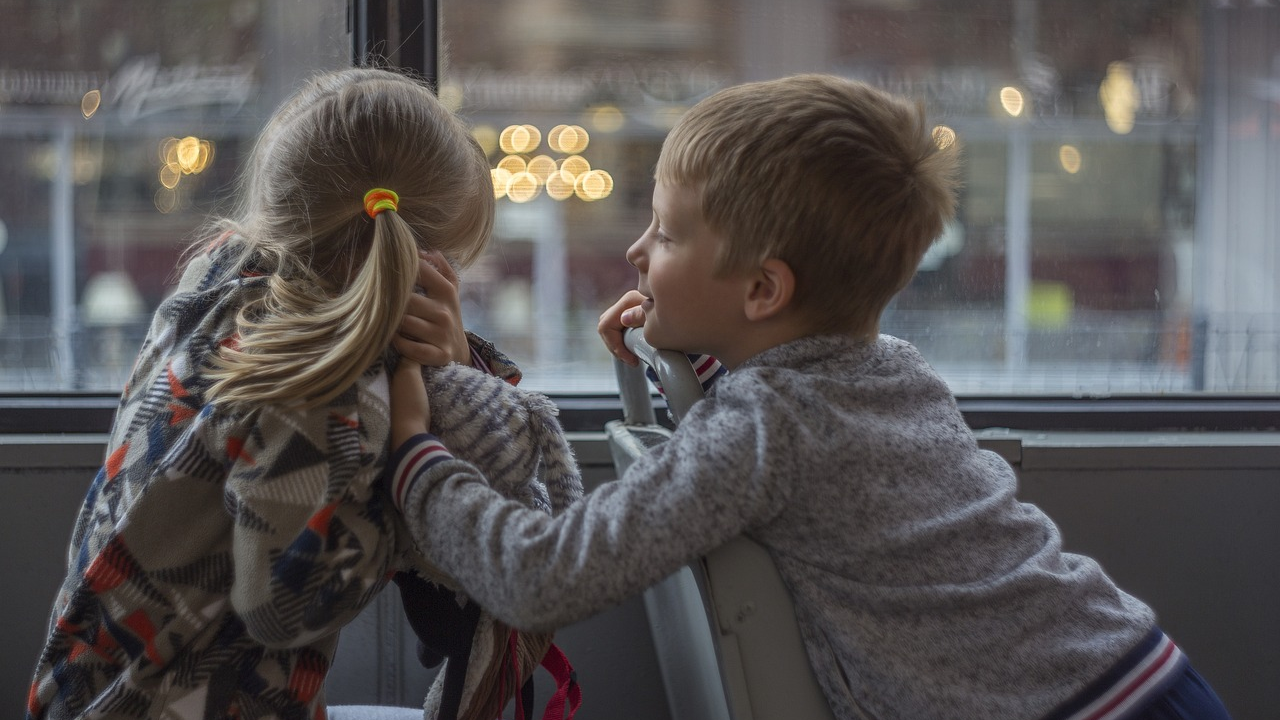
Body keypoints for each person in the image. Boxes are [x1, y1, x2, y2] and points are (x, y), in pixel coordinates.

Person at [384, 74, 1233, 719]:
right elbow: (801, 435)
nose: (639, 252)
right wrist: (693, 364)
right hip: (1136, 669)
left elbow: (542, 578)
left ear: (763, 290)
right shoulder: (888, 365)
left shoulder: (765, 431)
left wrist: (419, 462)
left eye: (668, 233)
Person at [25, 66, 505, 720]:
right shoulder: (325, 379)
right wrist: (413, 479)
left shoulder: (219, 273)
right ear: (416, 272)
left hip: (87, 686)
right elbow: (284, 606)